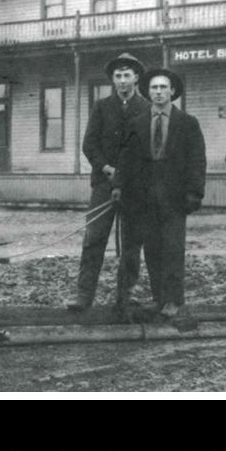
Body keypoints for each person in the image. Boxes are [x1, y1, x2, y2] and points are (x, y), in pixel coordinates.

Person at [112, 67, 206, 319]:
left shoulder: (187, 123)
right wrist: (119, 188)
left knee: (172, 248)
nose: (159, 92)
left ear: (172, 91)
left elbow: (197, 161)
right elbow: (125, 159)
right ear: (148, 92)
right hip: (143, 196)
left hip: (175, 196)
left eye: (163, 87)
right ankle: (158, 298)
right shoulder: (137, 123)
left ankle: (174, 300)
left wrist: (194, 193)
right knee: (152, 249)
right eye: (154, 87)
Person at [68, 53, 150, 312]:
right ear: (112, 80)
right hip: (103, 184)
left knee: (131, 242)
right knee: (94, 239)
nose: (122, 81)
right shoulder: (101, 107)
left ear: (136, 78)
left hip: (133, 187)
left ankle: (125, 295)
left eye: (127, 75)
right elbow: (89, 144)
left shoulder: (147, 108)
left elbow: (148, 150)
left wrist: (126, 175)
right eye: (118, 76)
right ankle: (84, 295)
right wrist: (106, 168)